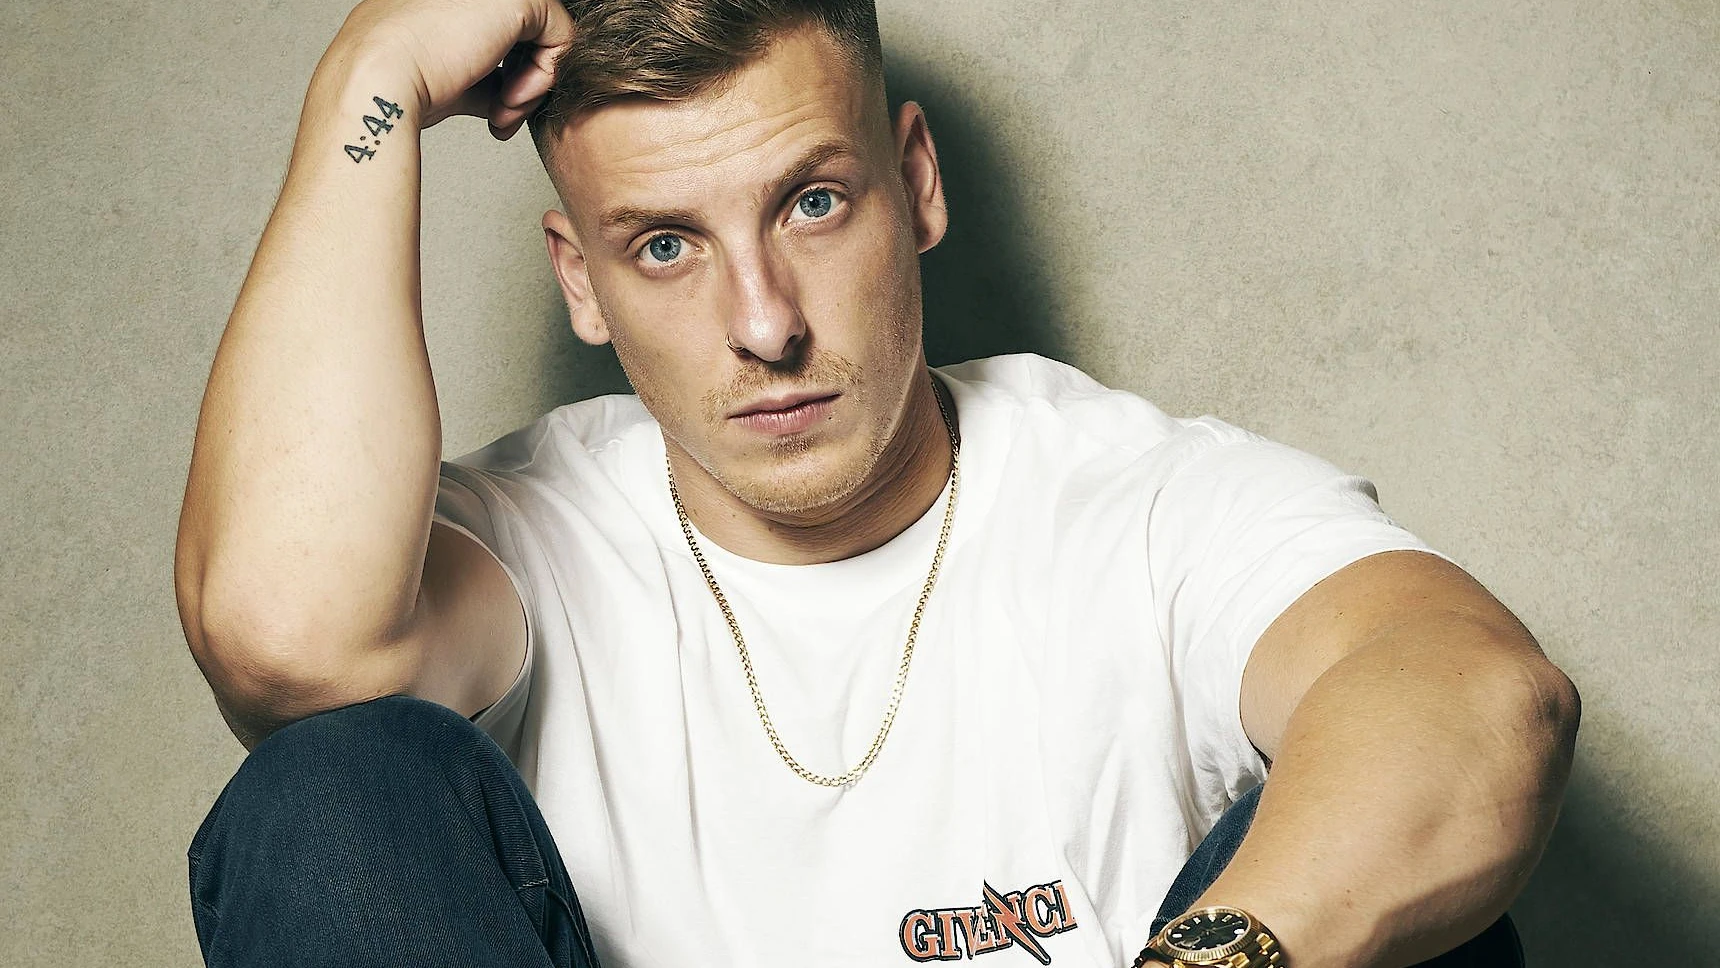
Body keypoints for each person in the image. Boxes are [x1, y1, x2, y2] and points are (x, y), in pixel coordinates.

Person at [173, 1, 1581, 966]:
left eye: (812, 202)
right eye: (665, 245)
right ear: (580, 281)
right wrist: (370, 77)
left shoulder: (1132, 499)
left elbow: (1476, 698)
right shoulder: (538, 541)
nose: (765, 323)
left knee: (1410, 921)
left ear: (915, 184)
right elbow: (289, 649)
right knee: (334, 782)